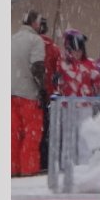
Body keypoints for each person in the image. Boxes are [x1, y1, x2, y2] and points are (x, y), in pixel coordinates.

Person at [56, 29, 100, 164]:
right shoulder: (63, 64)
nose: (77, 54)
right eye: (74, 51)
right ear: (69, 50)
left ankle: (84, 164)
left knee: (84, 137)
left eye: (79, 51)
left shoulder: (89, 64)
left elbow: (97, 76)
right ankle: (67, 165)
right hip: (68, 106)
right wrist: (56, 81)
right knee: (68, 136)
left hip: (85, 107)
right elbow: (58, 82)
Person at [11, 10, 47, 177]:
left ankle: (12, 169)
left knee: (12, 135)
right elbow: (37, 67)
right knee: (32, 135)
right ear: (35, 23)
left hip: (10, 95)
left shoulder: (11, 39)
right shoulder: (36, 40)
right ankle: (28, 170)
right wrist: (42, 89)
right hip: (29, 95)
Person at [37, 16, 61, 173]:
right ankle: (45, 160)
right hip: (48, 95)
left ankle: (36, 160)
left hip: (32, 93)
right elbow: (58, 71)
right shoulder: (53, 48)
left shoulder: (31, 45)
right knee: (46, 130)